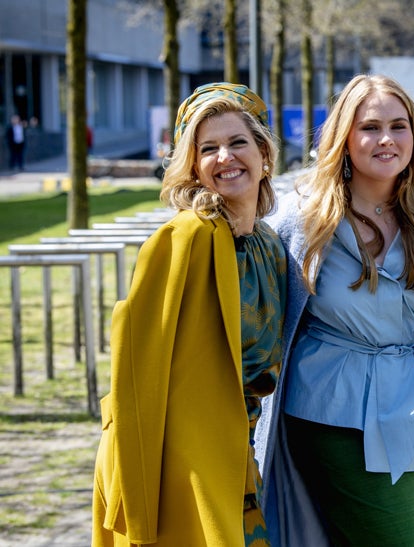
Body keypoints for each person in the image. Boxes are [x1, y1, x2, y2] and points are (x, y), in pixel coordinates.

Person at [255, 74, 414, 546]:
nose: (386, 139)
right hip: (331, 414)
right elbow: (255, 296)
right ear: (344, 138)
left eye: (399, 126)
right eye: (369, 127)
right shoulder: (302, 218)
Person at [91, 83, 287, 546]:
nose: (225, 157)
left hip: (240, 448)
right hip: (178, 461)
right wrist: (135, 490)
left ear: (264, 154)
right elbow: (137, 371)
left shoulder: (270, 246)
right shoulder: (184, 238)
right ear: (193, 167)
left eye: (237, 142)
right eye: (208, 148)